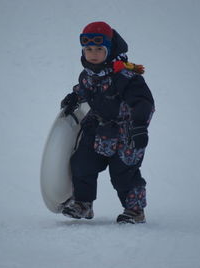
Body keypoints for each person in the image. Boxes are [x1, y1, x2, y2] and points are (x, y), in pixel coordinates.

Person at [60, 21, 155, 224]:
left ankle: (134, 210)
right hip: (97, 129)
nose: (93, 54)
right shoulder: (87, 76)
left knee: (124, 173)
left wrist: (139, 126)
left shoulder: (126, 76)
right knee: (81, 164)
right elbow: (83, 90)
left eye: (99, 49)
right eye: (88, 49)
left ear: (110, 50)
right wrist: (74, 98)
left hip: (126, 133)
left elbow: (144, 102)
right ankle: (83, 204)